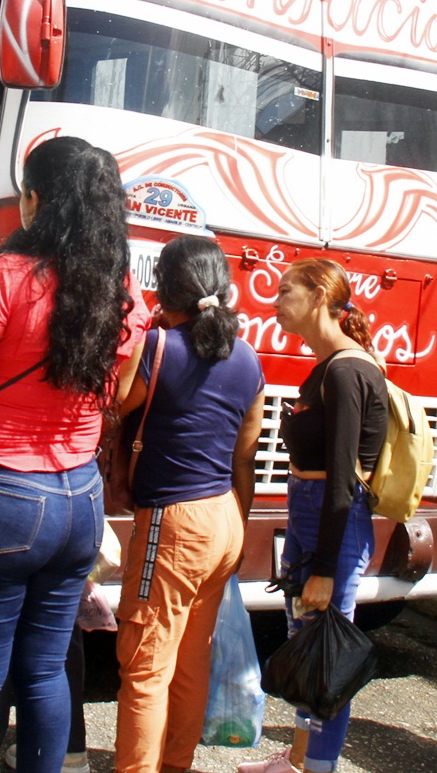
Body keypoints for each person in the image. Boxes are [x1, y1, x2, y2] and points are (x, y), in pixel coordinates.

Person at [0, 136, 148, 773]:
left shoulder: (7, 274)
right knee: (47, 669)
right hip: (79, 499)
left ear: (37, 201)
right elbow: (120, 395)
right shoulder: (123, 292)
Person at [115, 236, 265, 773]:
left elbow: (114, 405)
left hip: (174, 521)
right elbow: (244, 454)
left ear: (163, 288)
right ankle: (175, 765)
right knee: (189, 658)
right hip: (225, 517)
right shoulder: (248, 358)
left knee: (146, 664)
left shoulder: (157, 350)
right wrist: (240, 530)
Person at [241, 258, 384, 773]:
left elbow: (344, 479)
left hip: (333, 523)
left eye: (285, 291)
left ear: (320, 295)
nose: (274, 301)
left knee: (329, 654)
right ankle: (299, 758)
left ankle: (318, 766)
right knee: (306, 640)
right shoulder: (327, 367)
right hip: (308, 514)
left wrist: (325, 567)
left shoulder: (347, 371)